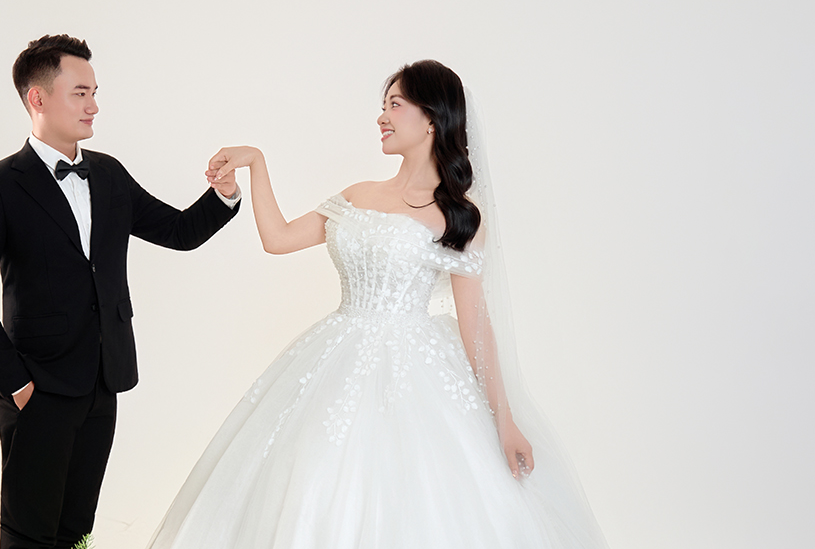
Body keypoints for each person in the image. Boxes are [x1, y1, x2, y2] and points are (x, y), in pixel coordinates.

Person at [148, 60, 609, 548]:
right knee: (314, 477)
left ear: (431, 118)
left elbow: (475, 322)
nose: (381, 117)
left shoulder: (458, 216)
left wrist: (504, 419)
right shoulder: (357, 195)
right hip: (335, 354)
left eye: (395, 104)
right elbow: (277, 239)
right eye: (383, 106)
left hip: (416, 372)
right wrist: (255, 164)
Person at [0, 34, 241, 549]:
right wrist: (16, 383)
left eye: (95, 93)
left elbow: (178, 232)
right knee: (29, 532)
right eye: (80, 93)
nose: (94, 106)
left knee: (77, 528)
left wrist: (224, 194)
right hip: (37, 387)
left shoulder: (107, 174)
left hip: (104, 379)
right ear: (38, 98)